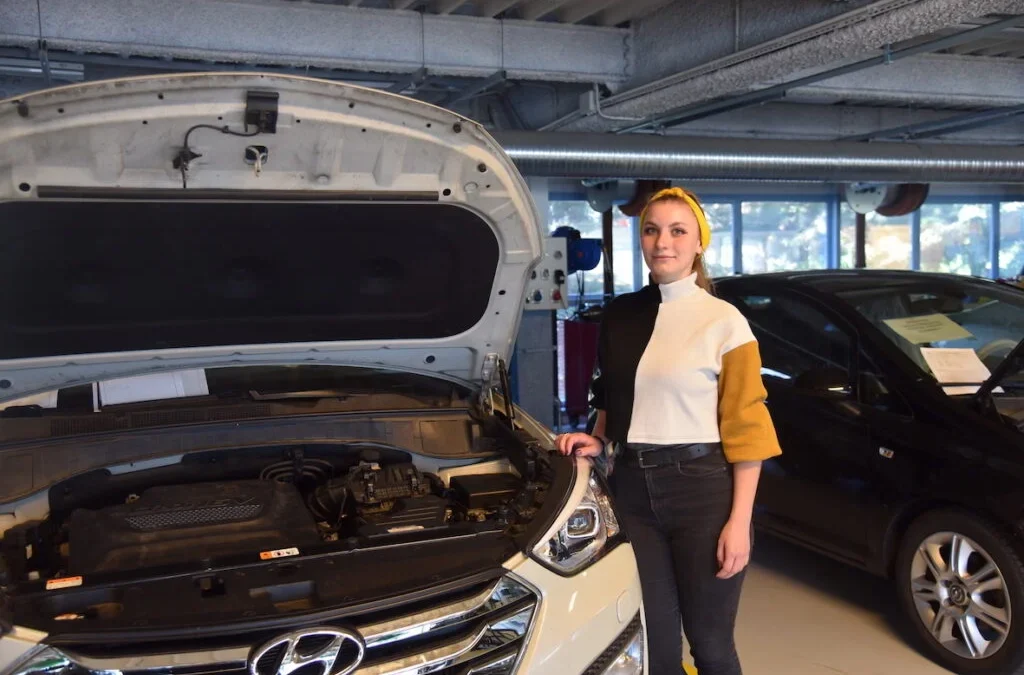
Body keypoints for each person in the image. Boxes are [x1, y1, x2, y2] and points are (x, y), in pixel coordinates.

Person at [555, 187, 782, 675]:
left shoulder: (725, 322)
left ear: (699, 243)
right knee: (654, 646)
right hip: (633, 491)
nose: (663, 242)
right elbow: (613, 396)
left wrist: (739, 522)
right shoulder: (620, 315)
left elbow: (748, 431)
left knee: (710, 644)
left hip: (701, 490)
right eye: (652, 230)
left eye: (678, 231)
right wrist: (600, 440)